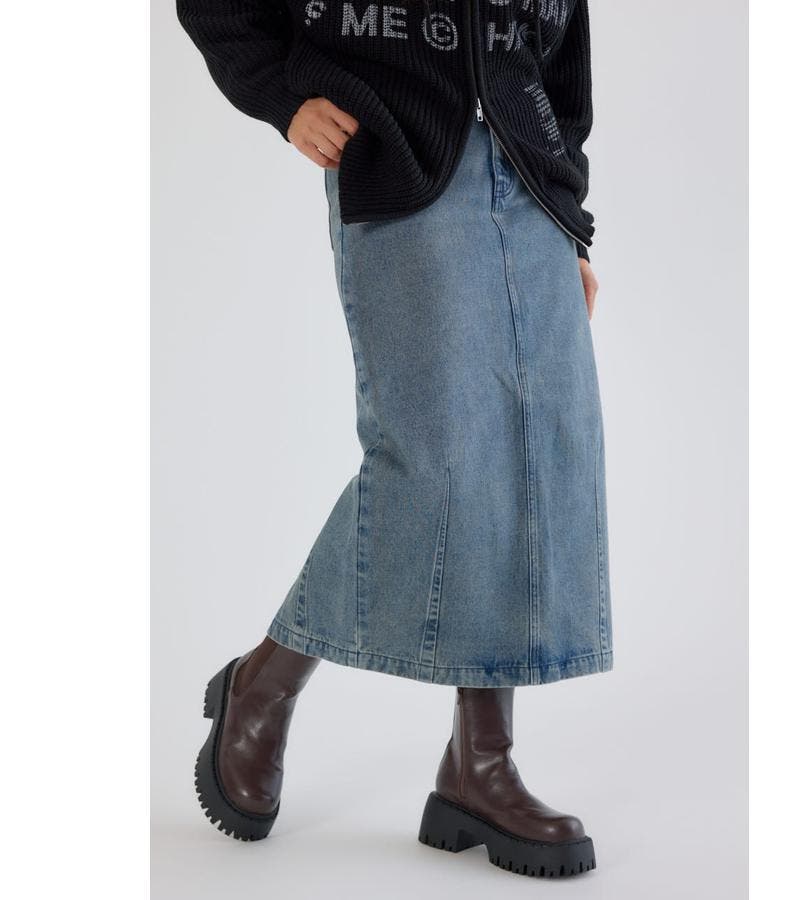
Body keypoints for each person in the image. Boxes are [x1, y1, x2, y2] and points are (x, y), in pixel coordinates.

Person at [178, 0, 612, 878]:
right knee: (434, 463)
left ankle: (479, 763)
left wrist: (569, 220)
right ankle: (263, 684)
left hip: (531, 175)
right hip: (401, 154)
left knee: (537, 453)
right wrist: (280, 96)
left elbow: (563, 45)